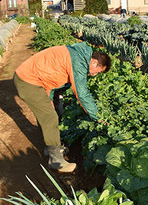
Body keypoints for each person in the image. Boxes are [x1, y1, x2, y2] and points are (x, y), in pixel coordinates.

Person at [14, 42, 111, 173]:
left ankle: (52, 147)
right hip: (28, 81)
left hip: (36, 80)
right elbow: (82, 94)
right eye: (97, 72)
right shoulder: (79, 62)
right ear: (93, 62)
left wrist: (50, 98)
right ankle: (56, 161)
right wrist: (98, 117)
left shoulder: (79, 55)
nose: (94, 75)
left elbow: (53, 78)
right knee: (49, 117)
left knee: (52, 113)